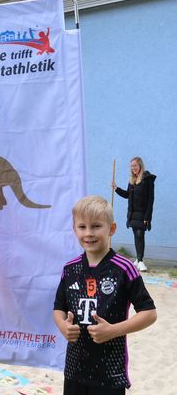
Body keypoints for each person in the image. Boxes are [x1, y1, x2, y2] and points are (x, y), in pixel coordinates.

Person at [53, 196, 157, 395]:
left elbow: (149, 313)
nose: (89, 233)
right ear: (74, 229)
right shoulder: (69, 269)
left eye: (96, 226)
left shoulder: (124, 269)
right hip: (74, 370)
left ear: (111, 228)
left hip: (110, 375)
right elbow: (58, 307)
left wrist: (113, 330)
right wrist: (62, 325)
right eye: (82, 227)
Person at [112, 157, 156, 272]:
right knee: (136, 236)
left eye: (135, 165)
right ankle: (138, 259)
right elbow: (127, 195)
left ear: (140, 166)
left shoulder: (147, 180)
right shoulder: (132, 181)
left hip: (142, 214)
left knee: (140, 235)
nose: (133, 168)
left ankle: (141, 261)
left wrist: (147, 217)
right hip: (132, 214)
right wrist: (116, 188)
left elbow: (151, 200)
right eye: (131, 166)